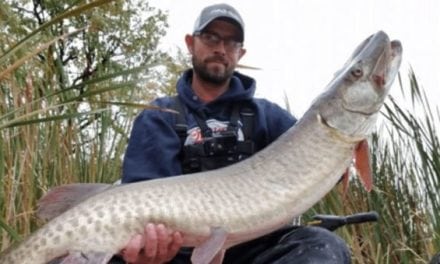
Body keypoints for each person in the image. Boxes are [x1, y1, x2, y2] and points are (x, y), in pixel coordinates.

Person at [117, 3, 351, 264]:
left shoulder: (268, 116)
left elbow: (318, 164)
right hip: (178, 252)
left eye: (231, 42)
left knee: (323, 245)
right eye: (211, 37)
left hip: (254, 251)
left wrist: (341, 148)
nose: (220, 49)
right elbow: (140, 196)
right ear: (190, 43)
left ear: (241, 53)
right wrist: (146, 249)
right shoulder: (160, 114)